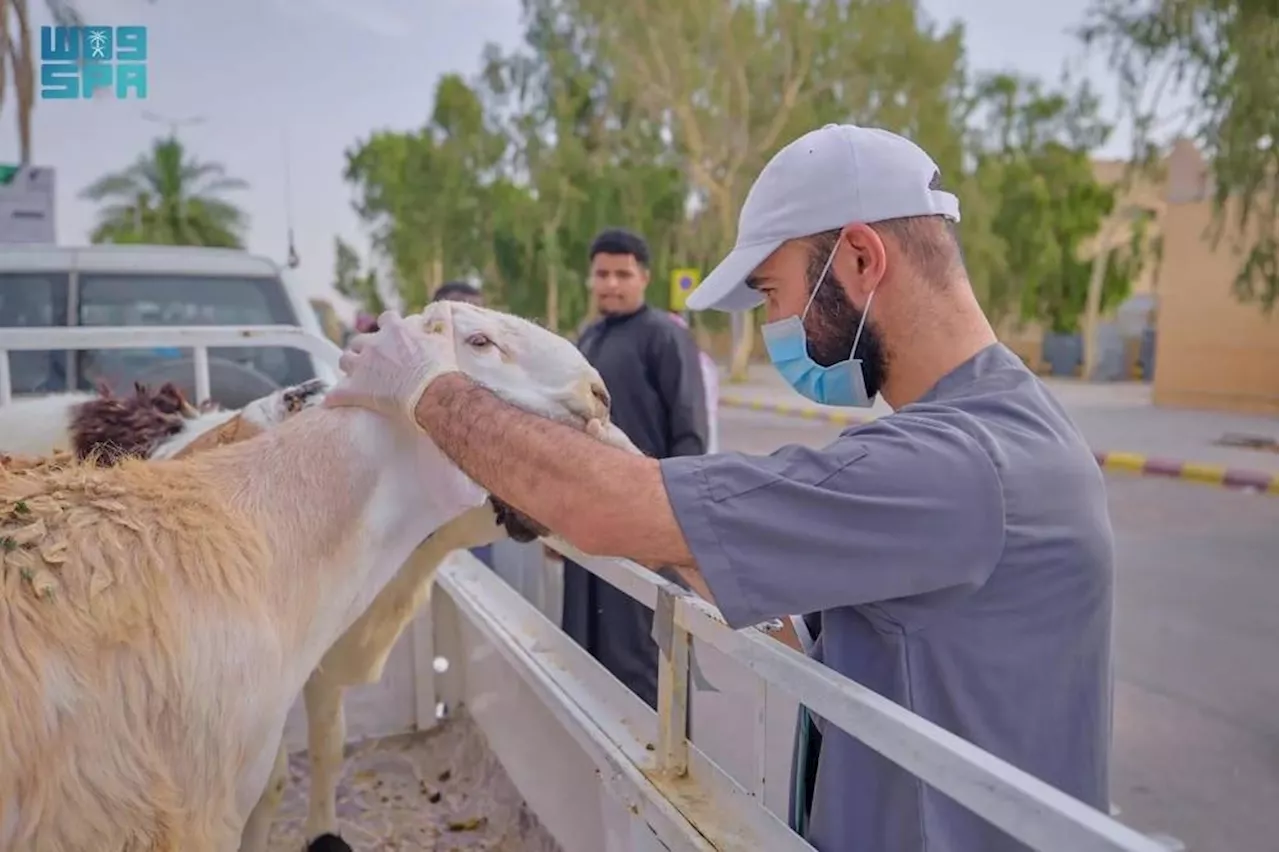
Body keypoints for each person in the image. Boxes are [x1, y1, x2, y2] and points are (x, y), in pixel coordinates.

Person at [325, 124, 1114, 852]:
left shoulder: (963, 462)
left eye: (775, 293)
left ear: (863, 260)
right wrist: (703, 543)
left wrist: (425, 388)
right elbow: (868, 636)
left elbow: (605, 510)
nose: (778, 329)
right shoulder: (996, 429)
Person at [560, 228, 709, 709]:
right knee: (587, 650)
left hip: (645, 526)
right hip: (592, 524)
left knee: (643, 660)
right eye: (602, 274)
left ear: (644, 278)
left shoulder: (664, 337)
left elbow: (689, 435)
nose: (611, 284)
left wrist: (674, 527)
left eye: (623, 274)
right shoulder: (590, 337)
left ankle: (654, 774)